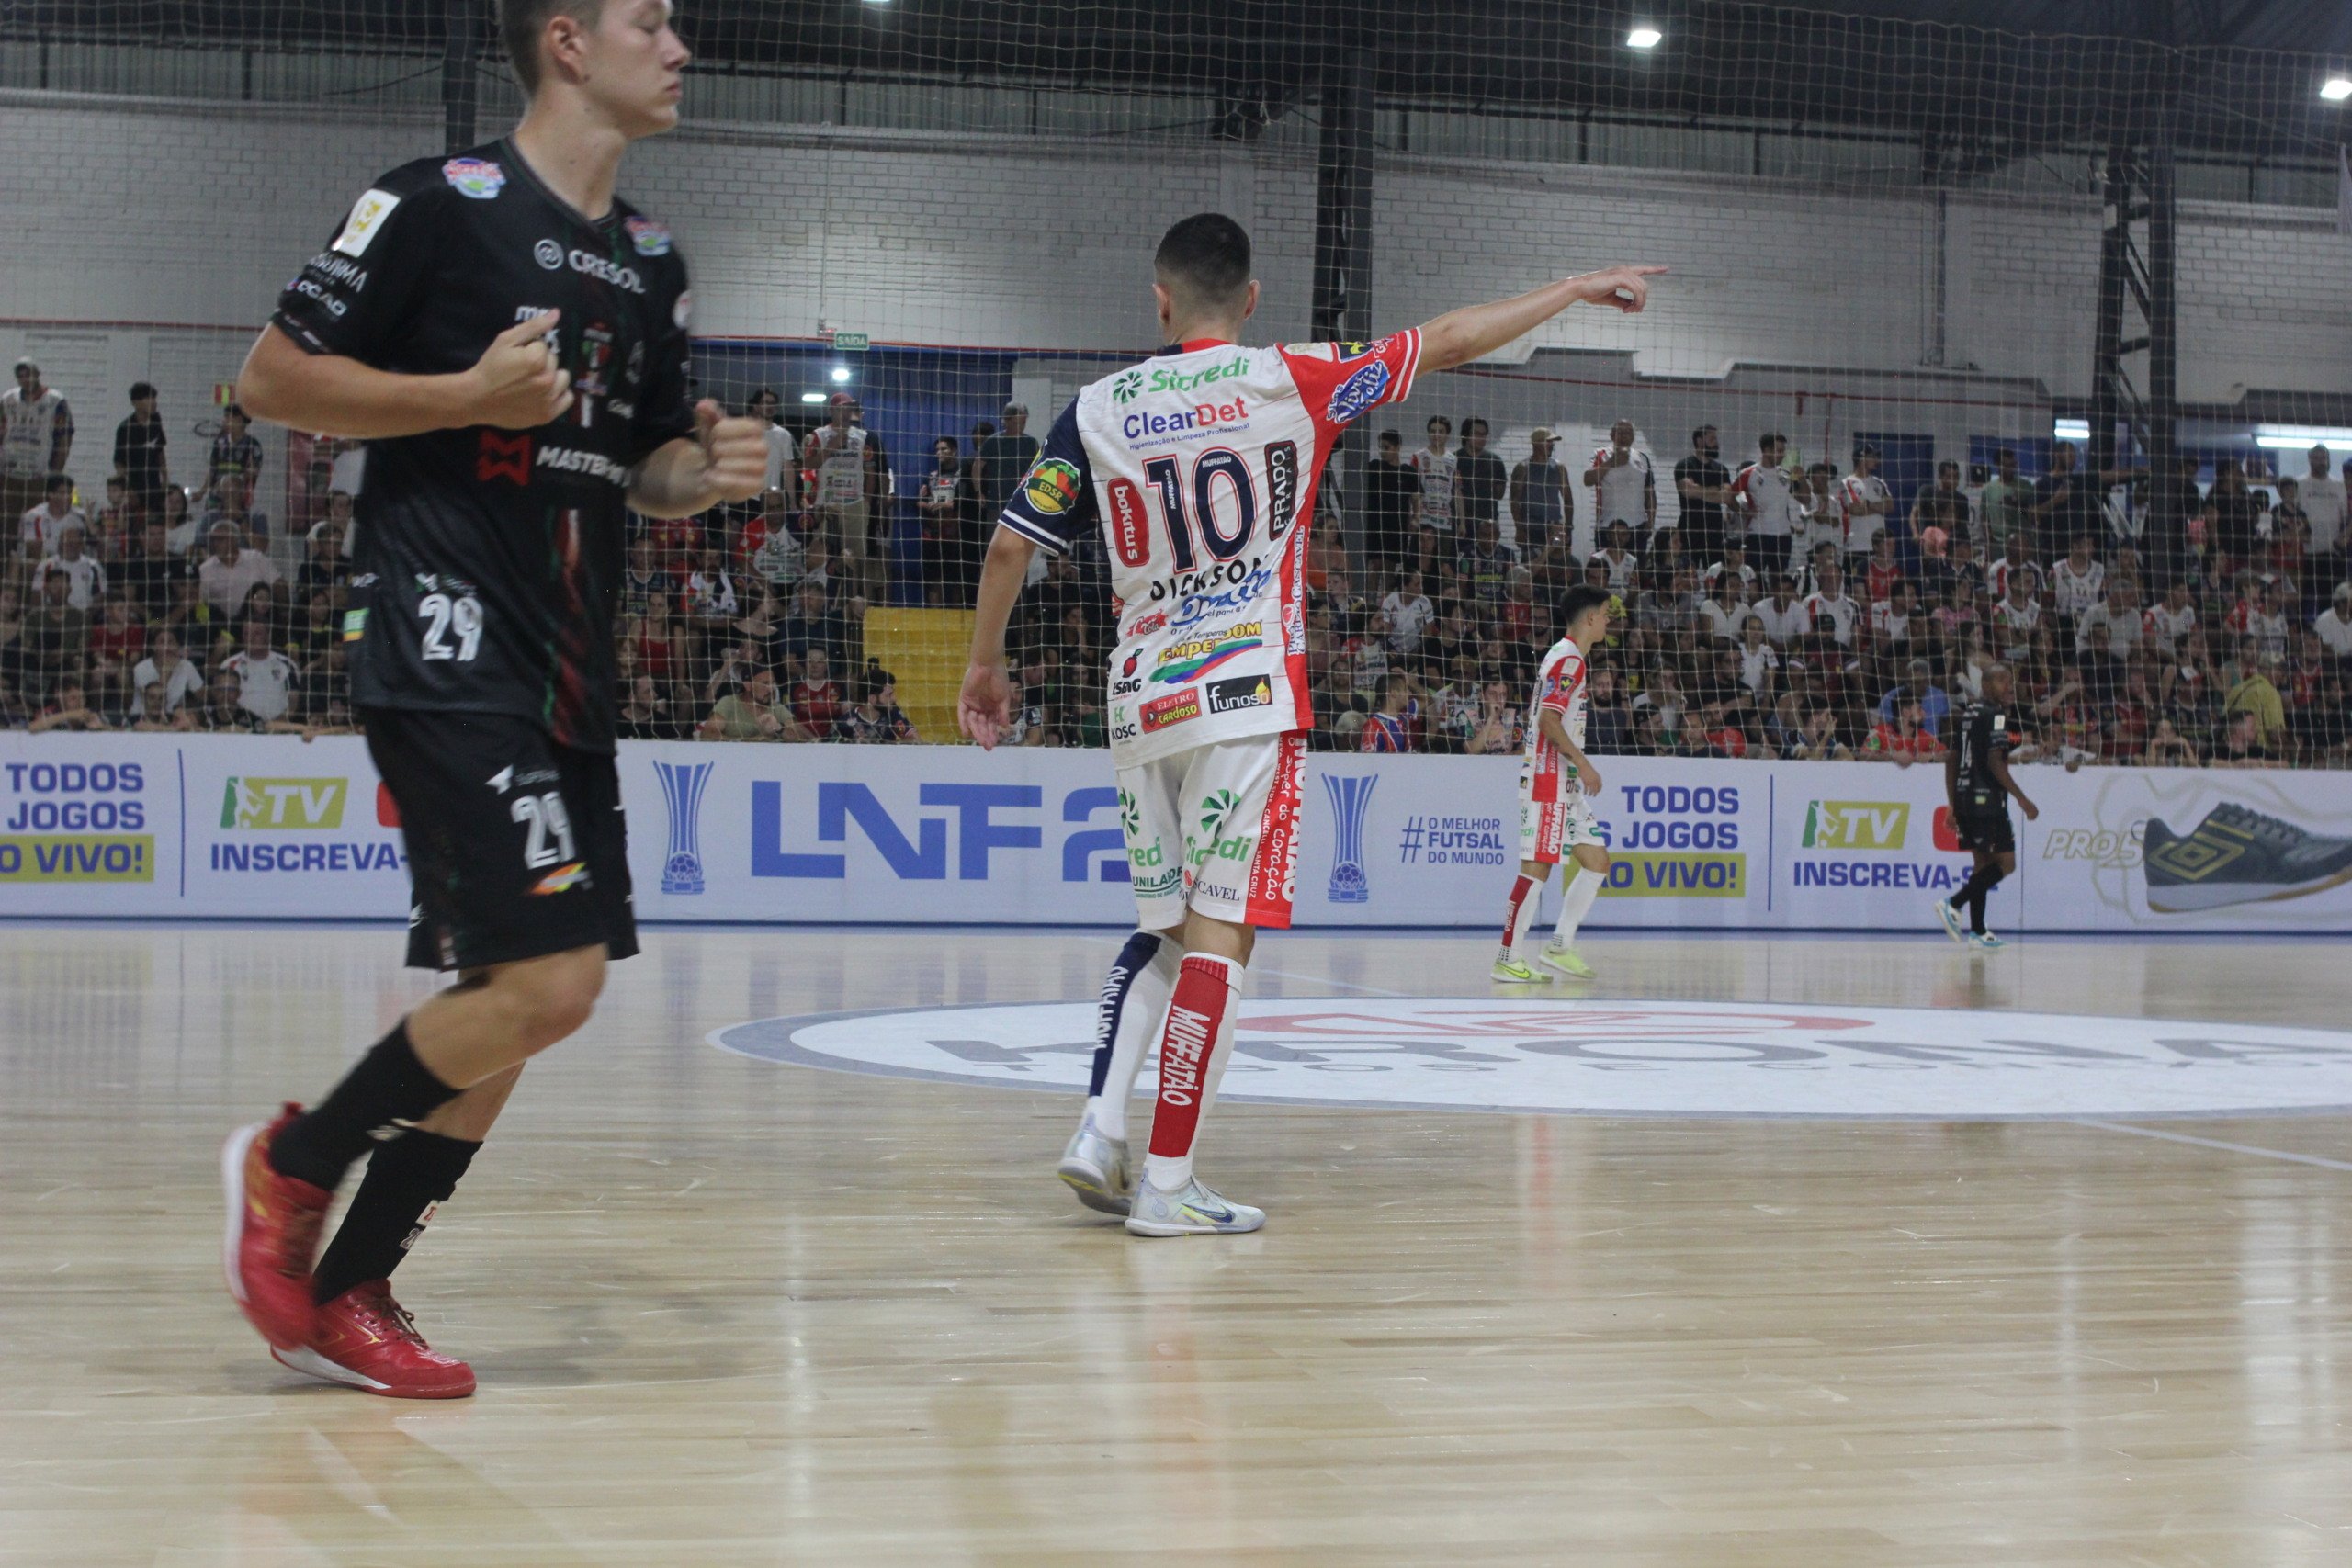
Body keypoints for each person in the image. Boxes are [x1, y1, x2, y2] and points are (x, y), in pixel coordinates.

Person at [218, 0, 763, 1401]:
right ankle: (295, 1162)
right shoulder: (431, 204)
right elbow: (269, 377)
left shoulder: (653, 261)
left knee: (527, 999)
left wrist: (697, 474)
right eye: (655, 20)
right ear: (569, 42)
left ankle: (350, 1289)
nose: (682, 44)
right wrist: (465, 392)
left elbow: (637, 465)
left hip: (569, 667)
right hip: (443, 639)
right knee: (547, 977)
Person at [958, 210, 1660, 1236]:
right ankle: (1167, 1184)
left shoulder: (1096, 407)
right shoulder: (1293, 376)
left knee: (1161, 930)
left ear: (1158, 301)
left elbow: (1008, 551)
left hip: (1138, 696)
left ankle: (1100, 1131)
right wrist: (1571, 287)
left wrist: (984, 666)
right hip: (1243, 694)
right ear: (1248, 302)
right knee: (1220, 942)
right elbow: (1453, 338)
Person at [1493, 584, 1616, 984]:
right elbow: (1548, 720)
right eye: (1606, 612)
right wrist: (1584, 765)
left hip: (1564, 783)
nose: (1609, 619)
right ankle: (1508, 957)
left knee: (1597, 861)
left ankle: (1559, 946)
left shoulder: (1566, 656)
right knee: (1537, 868)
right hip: (1550, 777)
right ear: (1590, 618)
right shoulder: (1569, 661)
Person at [1937, 662, 2040, 951]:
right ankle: (1952, 903)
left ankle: (1979, 931)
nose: (2009, 687)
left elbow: (1951, 758)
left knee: (1982, 865)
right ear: (1986, 686)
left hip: (1965, 799)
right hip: (1987, 802)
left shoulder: (1968, 713)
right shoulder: (1995, 716)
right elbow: (1996, 763)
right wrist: (2022, 798)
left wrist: (1952, 803)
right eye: (2001, 681)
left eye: (2011, 681)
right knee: (2006, 864)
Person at [114, 382, 170, 511]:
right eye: (149, 398)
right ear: (135, 402)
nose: (153, 402)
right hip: (135, 485)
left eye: (154, 398)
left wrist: (165, 479)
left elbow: (160, 451)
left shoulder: (155, 421)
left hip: (154, 484)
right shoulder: (125, 428)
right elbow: (119, 462)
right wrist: (127, 489)